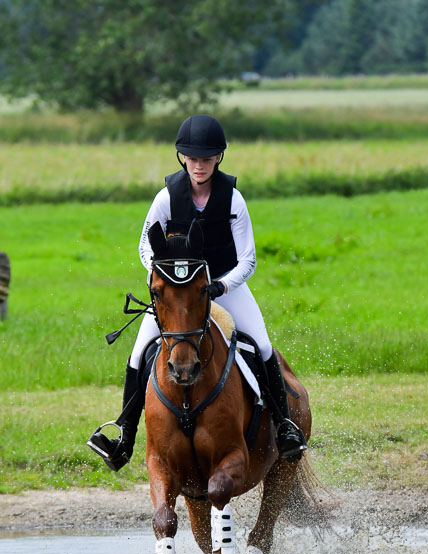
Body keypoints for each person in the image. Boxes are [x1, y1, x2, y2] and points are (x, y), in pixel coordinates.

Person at [87, 114, 307, 470]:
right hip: (177, 295)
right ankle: (124, 436)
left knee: (263, 346)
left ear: (218, 158)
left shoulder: (232, 199)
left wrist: (221, 285)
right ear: (182, 158)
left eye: (206, 159)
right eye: (193, 158)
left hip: (223, 286)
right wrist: (160, 275)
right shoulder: (166, 197)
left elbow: (248, 259)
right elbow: (145, 245)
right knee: (138, 351)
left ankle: (284, 427)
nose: (199, 165)